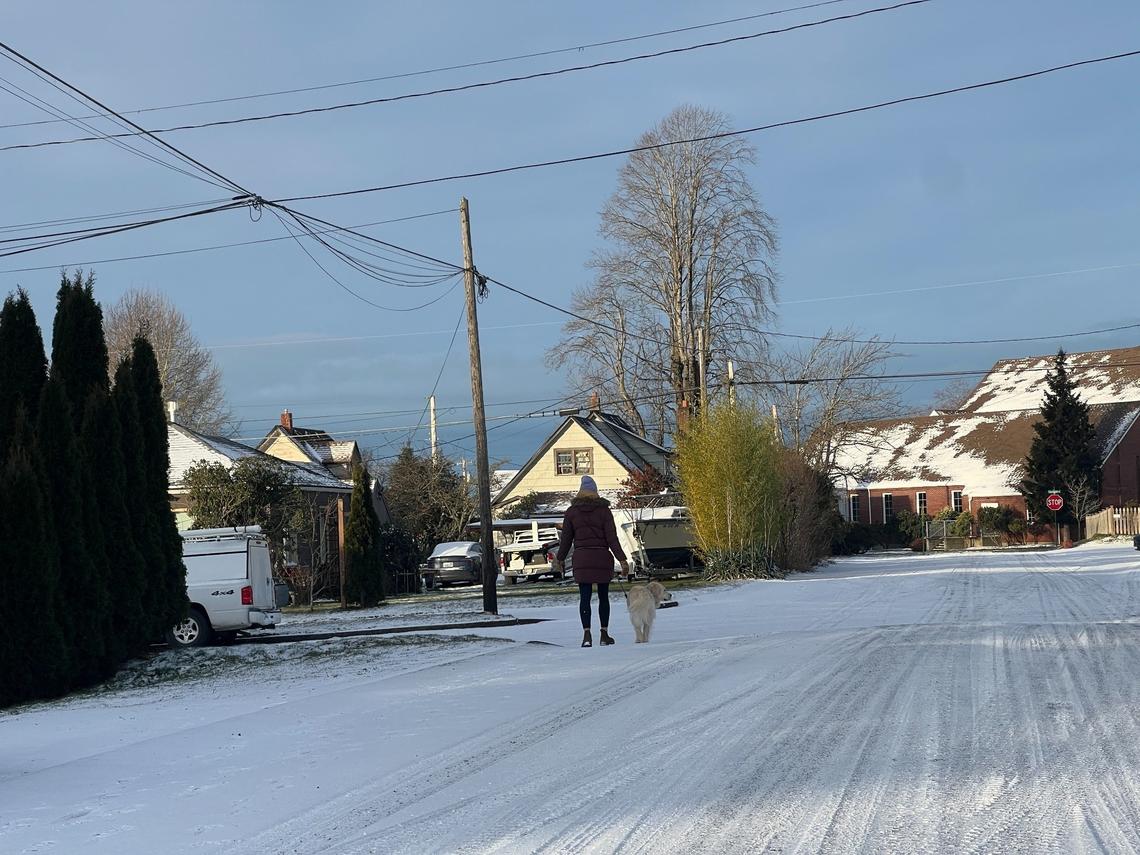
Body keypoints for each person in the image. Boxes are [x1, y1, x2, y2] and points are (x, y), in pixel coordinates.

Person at [555, 475, 629, 647]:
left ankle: (587, 635)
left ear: (580, 492)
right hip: (602, 557)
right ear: (595, 492)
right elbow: (612, 539)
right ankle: (604, 634)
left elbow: (566, 540)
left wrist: (559, 559)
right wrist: (622, 560)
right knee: (604, 597)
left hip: (581, 558)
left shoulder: (572, 512)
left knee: (585, 598)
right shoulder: (604, 511)